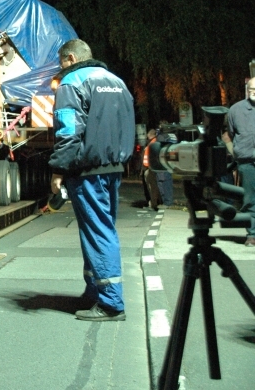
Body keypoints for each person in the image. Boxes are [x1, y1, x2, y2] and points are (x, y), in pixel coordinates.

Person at [49, 39, 135, 321]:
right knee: (101, 228)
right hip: (114, 167)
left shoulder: (71, 83)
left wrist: (59, 170)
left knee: (98, 232)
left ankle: (111, 303)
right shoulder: (117, 82)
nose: (61, 68)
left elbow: (67, 130)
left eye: (61, 62)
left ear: (71, 59)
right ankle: (94, 291)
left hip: (87, 170)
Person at [223, 77, 255, 248]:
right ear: (247, 90)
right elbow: (231, 133)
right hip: (247, 161)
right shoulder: (236, 110)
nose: (254, 92)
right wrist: (238, 152)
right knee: (250, 199)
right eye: (252, 89)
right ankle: (252, 234)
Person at [156, 121, 175, 207]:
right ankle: (168, 201)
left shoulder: (161, 136)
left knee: (162, 182)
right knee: (167, 181)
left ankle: (167, 202)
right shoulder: (172, 136)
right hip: (170, 161)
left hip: (162, 162)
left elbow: (158, 148)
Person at [142, 129, 161, 211]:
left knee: (152, 187)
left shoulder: (152, 143)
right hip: (149, 168)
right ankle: (155, 203)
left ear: (149, 135)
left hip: (150, 169)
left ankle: (154, 204)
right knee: (153, 186)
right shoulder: (153, 142)